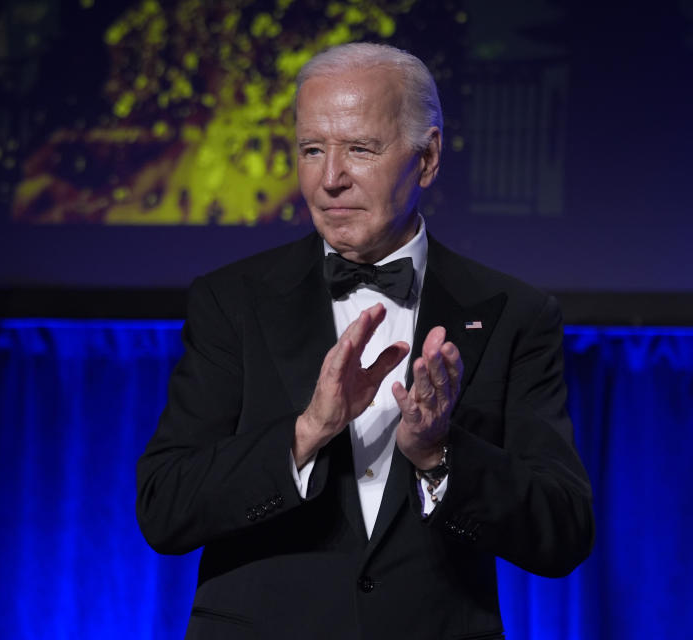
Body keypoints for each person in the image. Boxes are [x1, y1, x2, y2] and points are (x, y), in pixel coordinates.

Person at [136, 42, 594, 639]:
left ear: (426, 159)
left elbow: (562, 531)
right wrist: (307, 433)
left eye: (359, 148)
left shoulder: (513, 314)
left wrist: (439, 455)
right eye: (311, 150)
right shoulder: (231, 301)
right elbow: (164, 507)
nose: (330, 179)